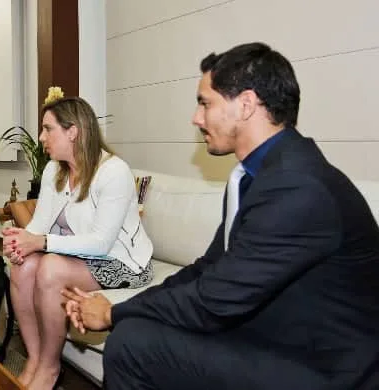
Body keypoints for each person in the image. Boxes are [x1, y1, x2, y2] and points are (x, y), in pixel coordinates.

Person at [63, 42, 379, 390]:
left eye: (205, 103)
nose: (196, 118)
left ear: (245, 104)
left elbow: (216, 298)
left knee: (132, 344)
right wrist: (122, 306)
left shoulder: (297, 186)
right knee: (136, 331)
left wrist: (111, 313)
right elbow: (208, 269)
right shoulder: (254, 176)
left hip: (324, 366)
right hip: (277, 339)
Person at [3, 96, 153, 389]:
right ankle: (34, 359)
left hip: (121, 261)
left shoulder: (113, 171)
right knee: (23, 264)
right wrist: (19, 242)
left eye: (48, 129)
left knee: (50, 267)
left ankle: (49, 369)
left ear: (72, 131)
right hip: (80, 257)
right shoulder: (53, 171)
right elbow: (39, 225)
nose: (42, 137)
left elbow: (100, 243)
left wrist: (42, 242)